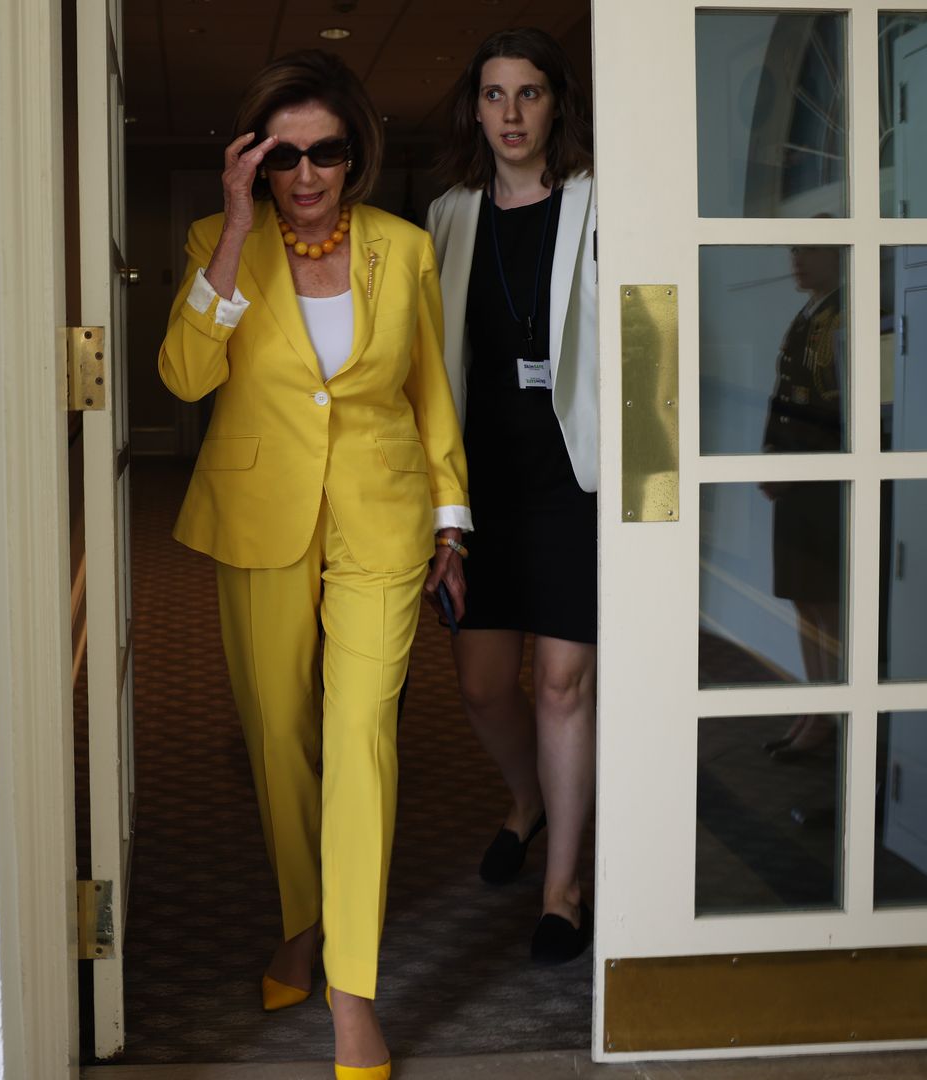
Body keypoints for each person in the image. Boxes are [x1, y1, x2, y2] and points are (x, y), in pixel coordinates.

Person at [158, 50, 469, 1080]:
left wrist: (452, 521)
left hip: (382, 522)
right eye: (282, 154)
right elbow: (184, 374)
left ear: (354, 154)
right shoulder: (220, 242)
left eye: (324, 152)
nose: (305, 173)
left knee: (362, 741)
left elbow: (430, 391)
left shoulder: (403, 248)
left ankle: (351, 993)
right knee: (279, 739)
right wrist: (238, 230)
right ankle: (301, 920)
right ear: (253, 158)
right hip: (258, 517)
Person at [424, 27, 600, 965]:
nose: (512, 114)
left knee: (564, 687)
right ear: (475, 110)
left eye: (529, 93)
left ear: (555, 104)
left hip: (572, 479)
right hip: (481, 484)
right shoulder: (448, 214)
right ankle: (526, 802)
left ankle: (563, 887)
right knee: (486, 684)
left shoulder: (597, 202)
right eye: (495, 95)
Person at [761, 243, 846, 759]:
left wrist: (791, 466)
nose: (795, 259)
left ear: (835, 257)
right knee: (804, 600)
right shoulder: (806, 316)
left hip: (820, 482)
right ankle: (814, 708)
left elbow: (840, 410)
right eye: (792, 250)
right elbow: (782, 395)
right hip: (792, 477)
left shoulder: (845, 315)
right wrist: (770, 456)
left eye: (807, 251)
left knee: (826, 602)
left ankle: (831, 713)